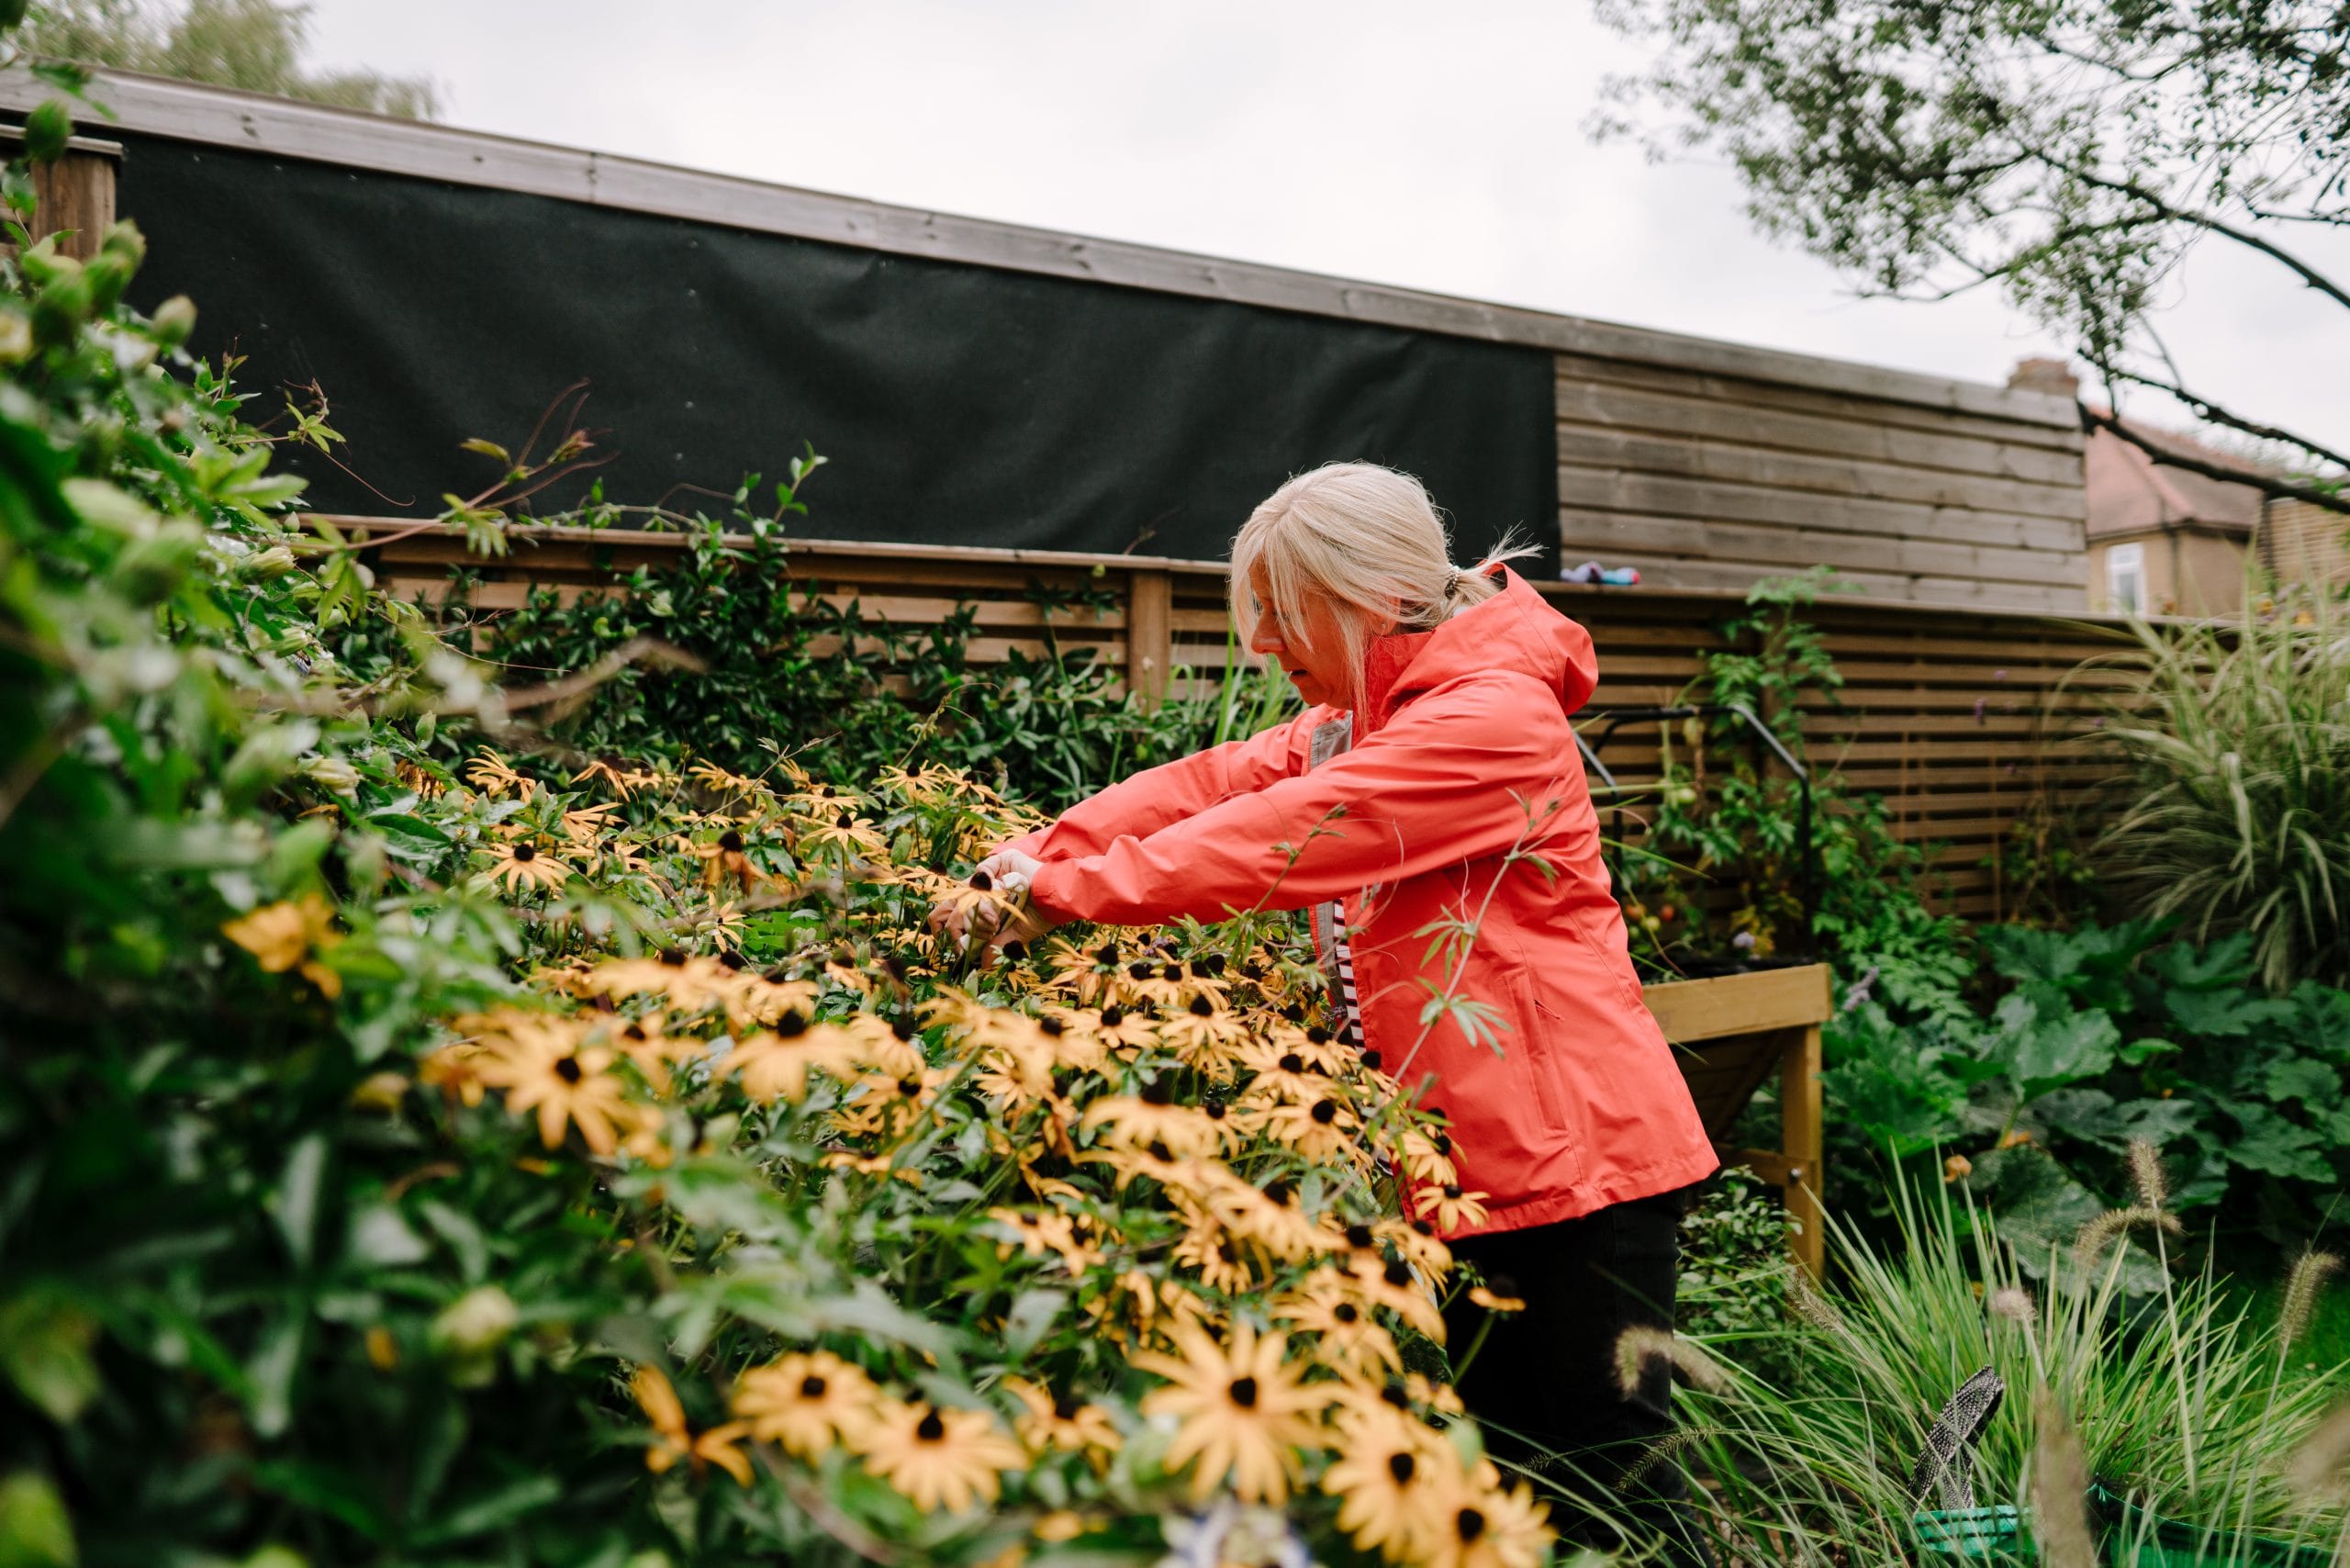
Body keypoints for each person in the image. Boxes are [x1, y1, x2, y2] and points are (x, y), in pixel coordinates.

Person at [935, 462, 1718, 1561]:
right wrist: (1031, 857)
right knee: (1522, 1494)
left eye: (1280, 613)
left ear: (1367, 595)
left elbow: (1287, 832)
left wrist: (1060, 897)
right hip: (1477, 1168)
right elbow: (1217, 786)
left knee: (1612, 1490)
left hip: (1572, 1169)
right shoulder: (1372, 717)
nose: (1262, 645)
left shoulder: (1489, 723)